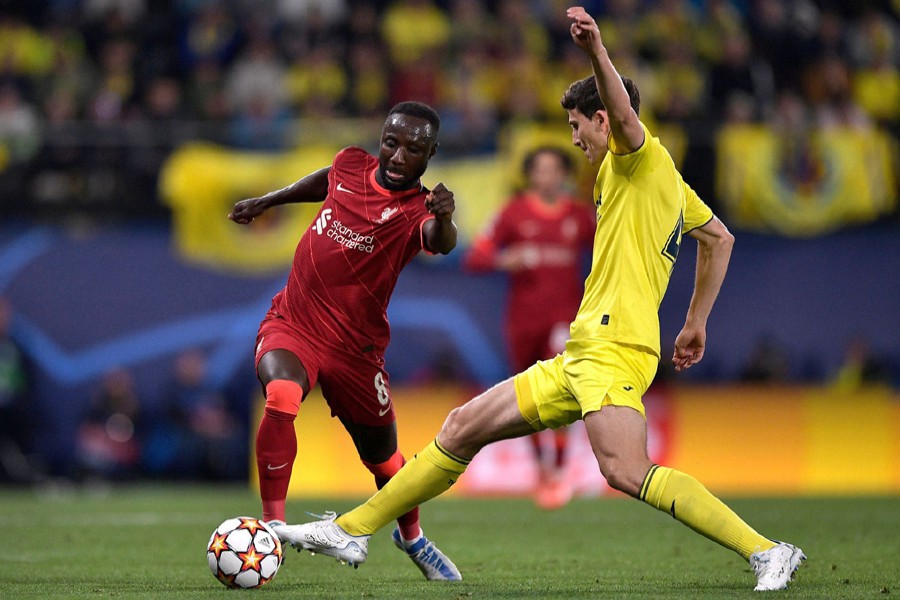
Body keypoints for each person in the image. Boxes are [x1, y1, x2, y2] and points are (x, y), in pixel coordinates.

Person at [272, 8, 806, 592]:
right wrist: (695, 323)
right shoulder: (663, 183)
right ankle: (353, 529)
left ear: (603, 119)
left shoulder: (640, 156)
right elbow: (719, 239)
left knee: (625, 470)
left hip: (615, 347)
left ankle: (767, 551)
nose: (574, 138)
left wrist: (595, 47)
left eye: (578, 125)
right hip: (584, 350)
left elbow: (625, 114)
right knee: (461, 427)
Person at [227, 101, 461, 581]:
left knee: (386, 461)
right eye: (391, 142)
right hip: (294, 322)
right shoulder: (351, 163)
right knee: (282, 396)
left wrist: (445, 218)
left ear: (430, 154)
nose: (397, 156)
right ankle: (273, 526)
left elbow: (440, 242)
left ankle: (412, 538)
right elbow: (325, 179)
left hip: (357, 352)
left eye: (413, 149)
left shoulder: (419, 210)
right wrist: (268, 201)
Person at [463, 145, 595, 509]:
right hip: (522, 320)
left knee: (563, 390)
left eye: (554, 170)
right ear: (530, 175)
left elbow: (608, 252)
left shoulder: (580, 216)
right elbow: (476, 256)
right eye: (540, 170)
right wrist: (506, 259)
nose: (547, 177)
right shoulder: (513, 213)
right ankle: (542, 468)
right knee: (529, 397)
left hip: (564, 319)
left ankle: (562, 467)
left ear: (565, 175)